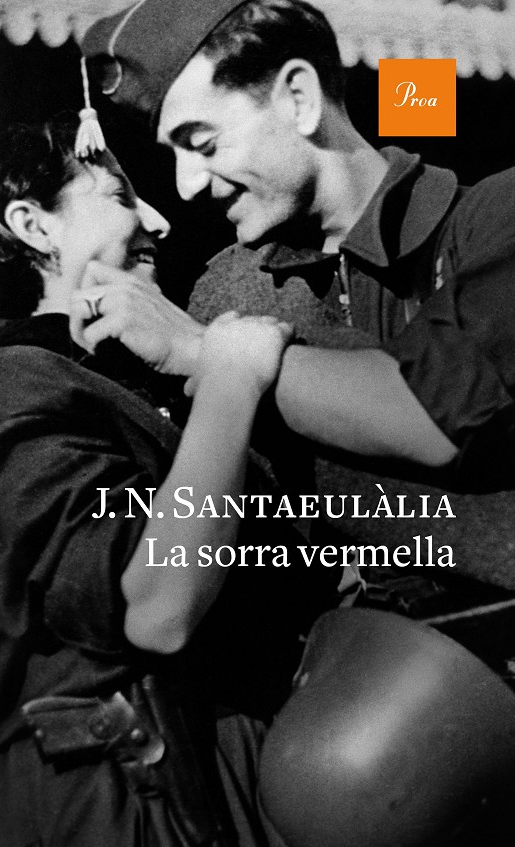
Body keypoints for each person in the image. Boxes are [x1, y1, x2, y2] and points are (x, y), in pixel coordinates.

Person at [0, 112, 334, 846]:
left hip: (215, 768)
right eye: (119, 196)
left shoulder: (119, 378)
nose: (157, 221)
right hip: (140, 794)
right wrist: (230, 376)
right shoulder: (16, 380)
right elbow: (158, 604)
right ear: (32, 225)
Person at [75, 0, 515, 588]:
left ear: (298, 98)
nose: (185, 185)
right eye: (171, 154)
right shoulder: (227, 292)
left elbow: (446, 416)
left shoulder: (498, 218)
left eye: (202, 142)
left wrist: (202, 351)